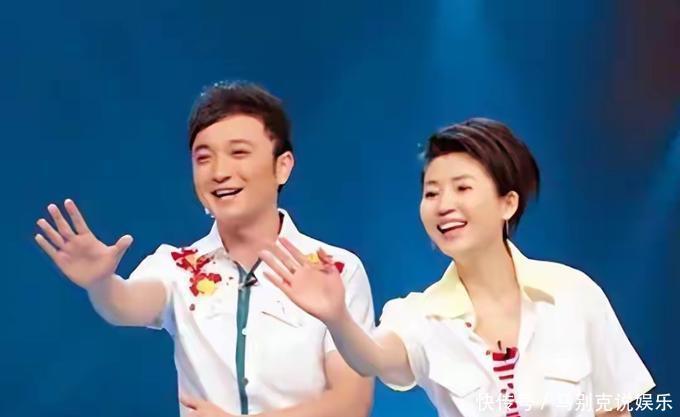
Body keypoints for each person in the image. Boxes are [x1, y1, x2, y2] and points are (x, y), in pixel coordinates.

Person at [259, 118, 655, 417]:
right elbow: (374, 358)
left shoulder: (572, 293)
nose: (444, 205)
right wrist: (337, 318)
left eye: (463, 188)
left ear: (508, 203)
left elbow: (613, 408)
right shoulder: (420, 315)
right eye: (431, 193)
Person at [34, 82, 375, 417]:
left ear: (282, 166)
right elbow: (124, 305)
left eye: (239, 153)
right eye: (203, 158)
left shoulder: (335, 270)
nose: (220, 172)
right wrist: (100, 283)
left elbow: (350, 404)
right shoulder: (177, 267)